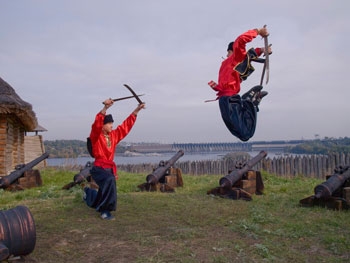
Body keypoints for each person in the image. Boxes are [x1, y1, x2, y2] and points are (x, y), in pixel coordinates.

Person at [83, 98, 145, 220]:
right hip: (98, 168)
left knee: (103, 191)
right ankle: (105, 211)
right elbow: (96, 125)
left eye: (112, 123)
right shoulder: (96, 136)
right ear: (103, 125)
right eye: (110, 123)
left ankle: (88, 195)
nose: (112, 125)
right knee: (109, 180)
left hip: (109, 168)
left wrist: (137, 110)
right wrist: (105, 108)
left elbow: (125, 126)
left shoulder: (114, 136)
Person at [208, 26, 272, 142]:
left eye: (227, 53)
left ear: (230, 51)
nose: (226, 56)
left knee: (244, 134)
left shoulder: (233, 58)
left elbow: (240, 40)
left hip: (228, 99)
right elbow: (248, 57)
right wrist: (262, 50)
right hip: (227, 99)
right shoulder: (229, 63)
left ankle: (249, 101)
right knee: (244, 133)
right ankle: (251, 102)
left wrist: (258, 32)